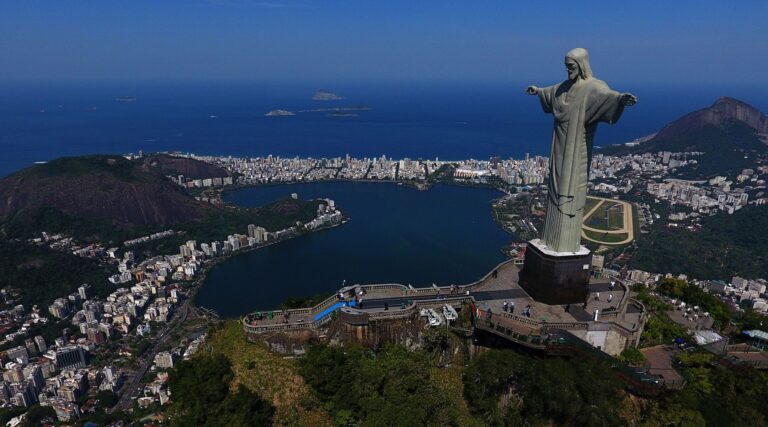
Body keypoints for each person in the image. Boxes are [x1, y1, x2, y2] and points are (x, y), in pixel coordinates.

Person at [526, 48, 636, 253]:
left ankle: (565, 244)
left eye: (571, 66)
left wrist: (621, 99)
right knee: (556, 185)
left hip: (577, 148)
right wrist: (538, 91)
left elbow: (607, 97)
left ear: (581, 64)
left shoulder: (594, 86)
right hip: (559, 145)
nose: (568, 69)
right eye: (566, 66)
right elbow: (551, 92)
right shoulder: (565, 86)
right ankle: (550, 240)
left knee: (570, 188)